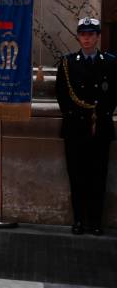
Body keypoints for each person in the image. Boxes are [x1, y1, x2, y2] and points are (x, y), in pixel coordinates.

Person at [55, 17, 116, 236]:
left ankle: (95, 221)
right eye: (83, 34)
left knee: (98, 176)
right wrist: (77, 114)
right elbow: (61, 94)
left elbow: (113, 94)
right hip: (75, 127)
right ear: (78, 37)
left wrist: (100, 113)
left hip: (100, 127)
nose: (87, 38)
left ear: (98, 37)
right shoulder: (68, 62)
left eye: (91, 34)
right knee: (77, 175)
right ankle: (79, 220)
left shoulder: (110, 62)